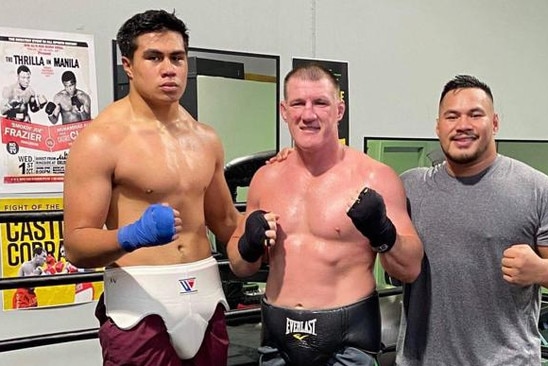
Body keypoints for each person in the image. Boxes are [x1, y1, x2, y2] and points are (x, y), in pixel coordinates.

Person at [63, 9, 241, 366]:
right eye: (154, 57)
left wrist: (261, 228)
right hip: (140, 310)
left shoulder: (206, 138)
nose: (168, 68)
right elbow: (76, 246)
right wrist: (133, 235)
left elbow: (226, 223)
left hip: (207, 300)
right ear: (128, 65)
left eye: (177, 57)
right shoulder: (101, 140)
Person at [226, 63, 423, 366]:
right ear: (284, 110)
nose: (308, 114)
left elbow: (410, 268)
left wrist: (384, 231)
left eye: (320, 103)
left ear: (339, 110)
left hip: (348, 344)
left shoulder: (375, 177)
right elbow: (240, 267)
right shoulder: (266, 179)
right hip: (277, 340)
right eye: (298, 103)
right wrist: (248, 243)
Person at [396, 74, 548, 366]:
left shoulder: (537, 189)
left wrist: (541, 269)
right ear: (438, 126)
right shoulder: (409, 188)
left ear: (495, 123)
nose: (463, 125)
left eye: (475, 115)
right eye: (452, 116)